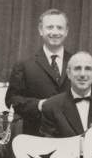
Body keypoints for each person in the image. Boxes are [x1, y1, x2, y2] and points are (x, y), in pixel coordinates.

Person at [6, 9, 74, 137]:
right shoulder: (24, 65)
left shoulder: (77, 63)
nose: (55, 32)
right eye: (49, 27)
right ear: (40, 30)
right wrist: (39, 105)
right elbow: (11, 100)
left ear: (66, 31)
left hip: (71, 138)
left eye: (60, 27)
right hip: (36, 136)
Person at [40, 52, 92, 138]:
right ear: (68, 73)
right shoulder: (50, 106)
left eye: (88, 69)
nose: (82, 74)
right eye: (77, 68)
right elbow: (48, 146)